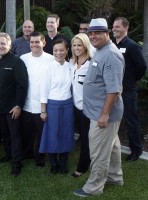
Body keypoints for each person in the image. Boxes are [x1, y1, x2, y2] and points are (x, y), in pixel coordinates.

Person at [73, 18, 124, 197]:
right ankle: (115, 177)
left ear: (107, 34)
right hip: (100, 112)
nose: (93, 36)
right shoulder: (102, 51)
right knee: (113, 146)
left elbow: (114, 89)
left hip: (103, 115)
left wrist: (104, 114)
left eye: (98, 33)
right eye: (91, 33)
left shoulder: (110, 54)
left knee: (99, 152)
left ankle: (93, 187)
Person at [0, 32, 28, 177]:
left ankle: (16, 163)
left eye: (3, 44)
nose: (0, 46)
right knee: (5, 135)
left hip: (13, 107)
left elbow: (22, 85)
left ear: (9, 45)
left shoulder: (17, 61)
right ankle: (8, 155)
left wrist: (18, 105)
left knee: (15, 136)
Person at [113, 17, 147, 162]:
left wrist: (131, 80)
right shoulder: (113, 45)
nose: (114, 29)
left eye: (118, 27)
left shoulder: (132, 46)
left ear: (126, 28)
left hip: (128, 90)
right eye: (113, 27)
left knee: (131, 119)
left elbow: (142, 67)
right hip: (114, 89)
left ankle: (136, 149)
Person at [39, 39, 74, 174]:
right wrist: (43, 110)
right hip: (52, 105)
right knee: (52, 134)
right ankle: (53, 163)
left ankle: (63, 162)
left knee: (66, 133)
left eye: (61, 50)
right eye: (55, 50)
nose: (58, 53)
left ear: (66, 51)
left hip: (67, 104)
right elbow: (43, 90)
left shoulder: (71, 65)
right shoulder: (48, 67)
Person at [20, 32, 54, 167]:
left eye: (37, 42)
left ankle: (39, 157)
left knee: (41, 133)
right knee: (27, 131)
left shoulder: (51, 59)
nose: (34, 45)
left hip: (43, 103)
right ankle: (27, 152)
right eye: (32, 42)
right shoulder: (23, 58)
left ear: (43, 43)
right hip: (27, 103)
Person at [70, 33, 92, 177]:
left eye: (80, 45)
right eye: (75, 45)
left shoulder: (91, 64)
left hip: (86, 109)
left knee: (85, 138)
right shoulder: (72, 63)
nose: (77, 48)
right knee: (78, 136)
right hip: (73, 107)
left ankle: (83, 166)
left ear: (85, 46)